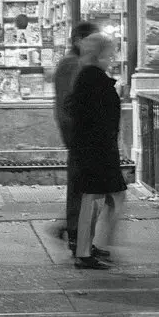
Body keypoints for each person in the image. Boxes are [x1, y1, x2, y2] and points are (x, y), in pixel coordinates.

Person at [68, 32, 128, 270]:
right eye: (109, 54)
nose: (112, 58)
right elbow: (96, 116)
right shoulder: (92, 78)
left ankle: (89, 246)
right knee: (96, 199)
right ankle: (85, 251)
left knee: (103, 198)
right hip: (97, 149)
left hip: (96, 148)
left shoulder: (91, 76)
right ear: (99, 55)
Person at [52, 20, 100, 254]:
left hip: (82, 134)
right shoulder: (72, 64)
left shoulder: (78, 63)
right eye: (93, 40)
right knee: (84, 189)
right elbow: (70, 103)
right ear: (79, 41)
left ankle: (77, 235)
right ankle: (76, 237)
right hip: (80, 135)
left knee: (87, 188)